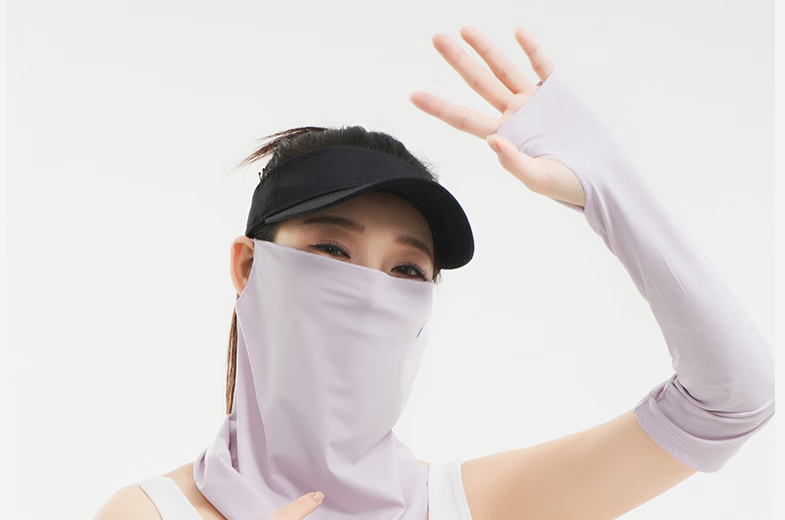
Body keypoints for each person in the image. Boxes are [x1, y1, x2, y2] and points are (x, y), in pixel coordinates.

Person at [94, 25, 774, 520]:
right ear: (249, 266)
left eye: (406, 270)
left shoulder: (462, 506)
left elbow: (730, 399)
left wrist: (607, 186)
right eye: (332, 251)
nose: (371, 292)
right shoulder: (149, 513)